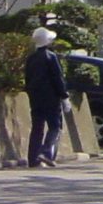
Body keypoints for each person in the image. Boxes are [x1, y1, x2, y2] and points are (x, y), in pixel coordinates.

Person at [24, 27, 68, 168]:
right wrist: (64, 96)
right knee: (55, 126)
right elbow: (57, 78)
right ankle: (46, 152)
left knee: (37, 128)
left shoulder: (30, 58)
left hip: (35, 98)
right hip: (51, 98)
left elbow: (27, 79)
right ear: (48, 41)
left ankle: (33, 159)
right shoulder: (51, 57)